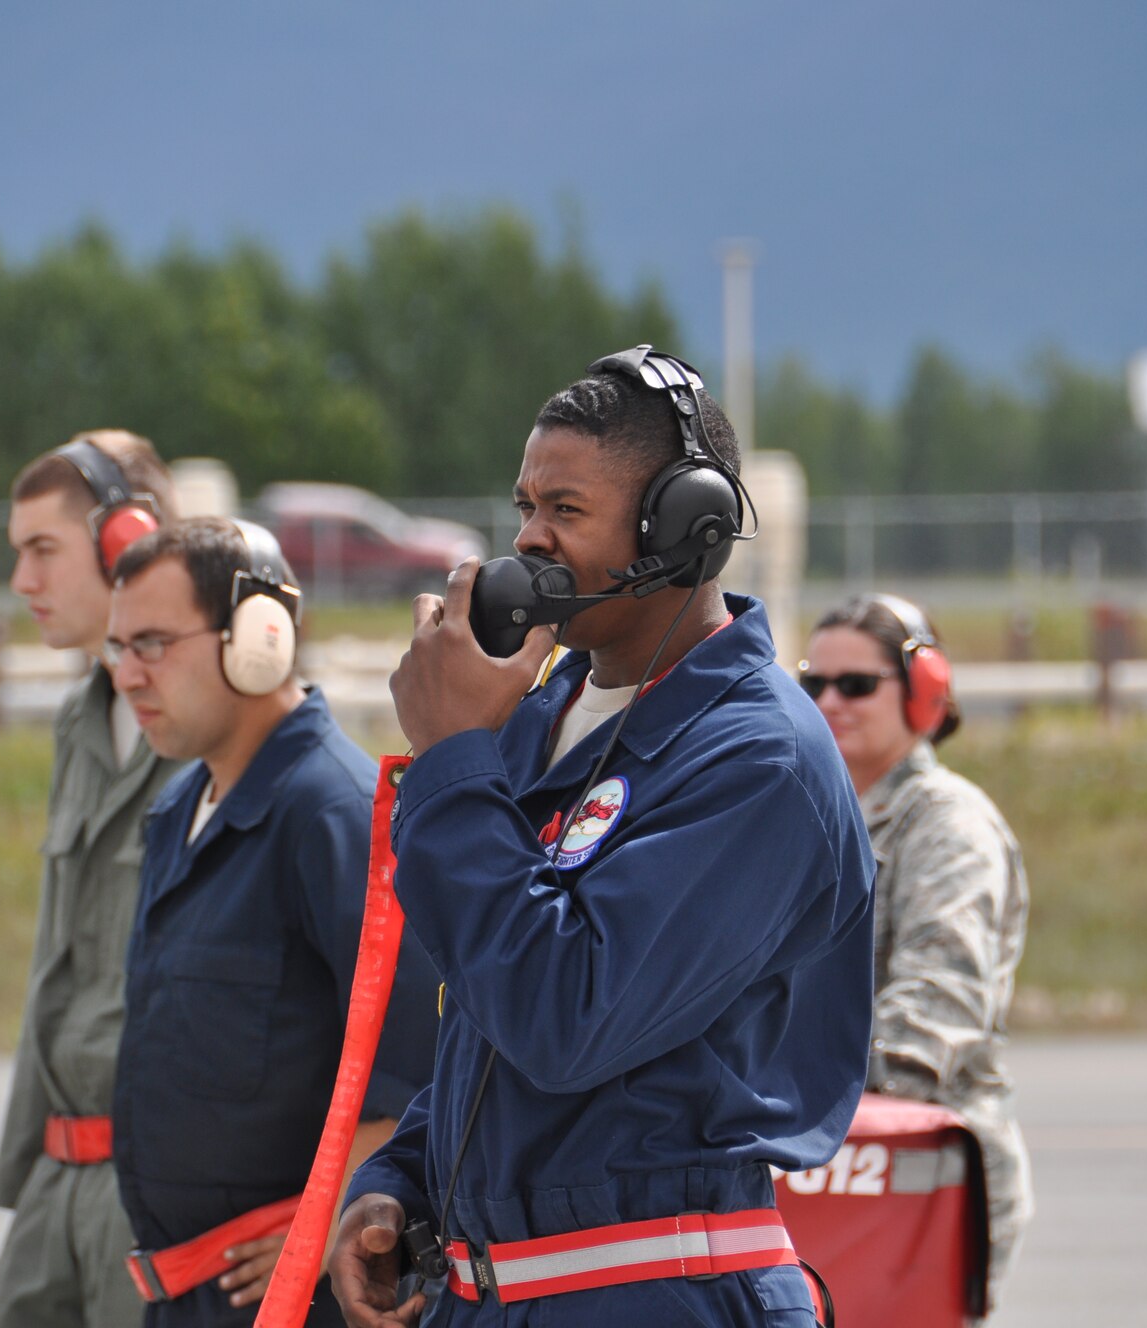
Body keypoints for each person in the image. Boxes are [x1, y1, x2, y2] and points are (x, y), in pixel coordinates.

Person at [329, 348, 876, 1327]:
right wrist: (404, 1176)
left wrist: (453, 754)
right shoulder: (542, 713)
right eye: (524, 505)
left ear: (683, 530)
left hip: (656, 1293)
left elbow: (562, 1014)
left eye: (566, 510)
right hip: (490, 1293)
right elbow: (487, 1014)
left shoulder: (758, 761)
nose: (528, 540)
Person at [105, 518, 441, 1328]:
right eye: (118, 648)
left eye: (152, 643)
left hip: (293, 1301)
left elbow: (410, 1072)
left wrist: (331, 1228)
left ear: (260, 638)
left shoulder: (336, 815)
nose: (127, 675)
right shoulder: (179, 806)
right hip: (188, 1297)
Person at [0, 431, 183, 1328]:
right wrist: (24, 1176)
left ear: (125, 541)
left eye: (42, 551)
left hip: (153, 1193)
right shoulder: (79, 722)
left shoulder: (213, 732)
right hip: (55, 1179)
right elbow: (52, 965)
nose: (22, 581)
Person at [799, 594, 1033, 1310]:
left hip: (917, 1175)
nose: (831, 701)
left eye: (858, 684)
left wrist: (805, 1114)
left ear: (923, 692)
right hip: (827, 1162)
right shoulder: (806, 816)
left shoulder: (948, 826)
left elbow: (938, 1005)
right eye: (814, 684)